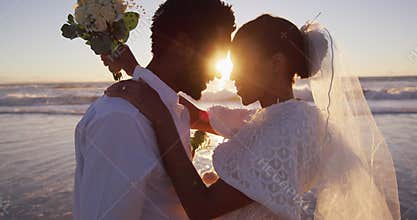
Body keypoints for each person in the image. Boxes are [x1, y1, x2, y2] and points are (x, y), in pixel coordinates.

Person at [106, 15, 400, 220]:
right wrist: (136, 69)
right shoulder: (273, 117)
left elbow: (202, 208)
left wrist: (159, 116)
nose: (230, 75)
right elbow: (198, 116)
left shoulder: (292, 127)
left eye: (241, 63)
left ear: (275, 63)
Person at [72, 0, 253, 219]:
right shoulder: (122, 120)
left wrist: (137, 71)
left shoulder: (172, 111)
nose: (217, 72)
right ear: (182, 45)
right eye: (215, 53)